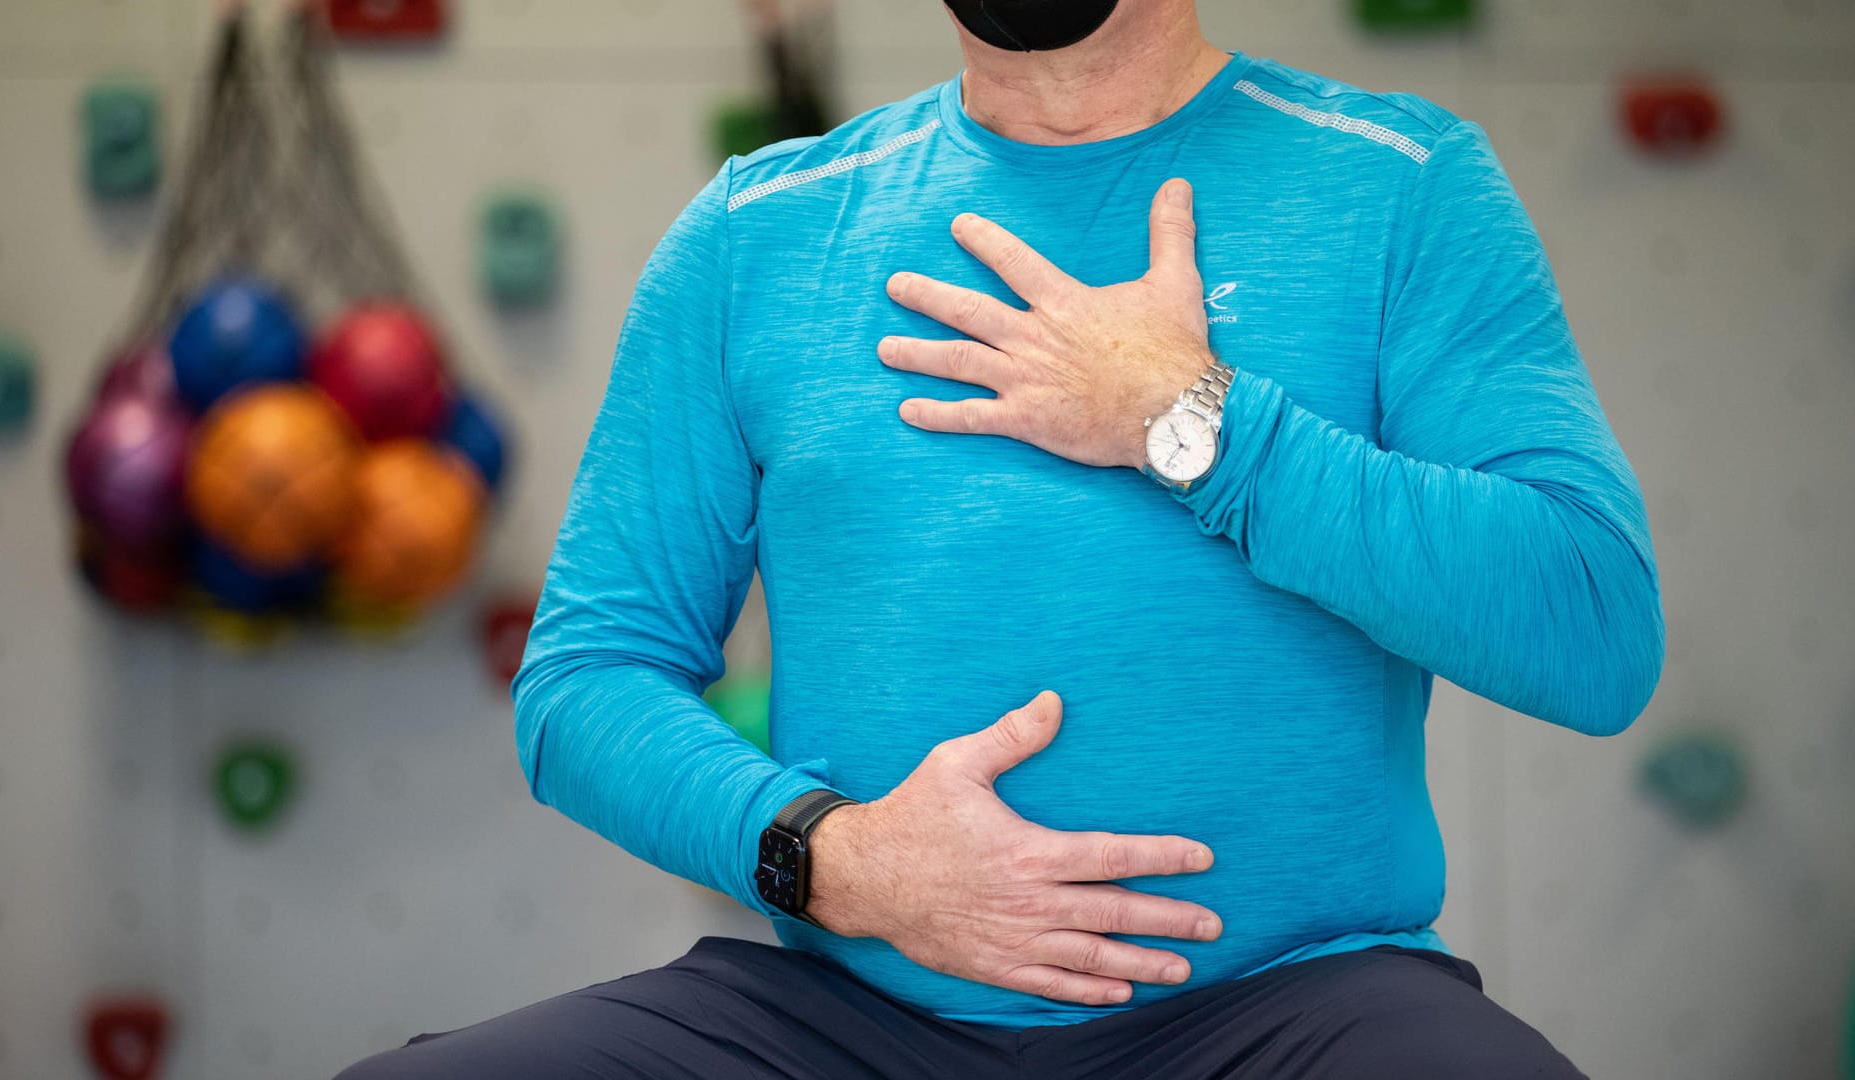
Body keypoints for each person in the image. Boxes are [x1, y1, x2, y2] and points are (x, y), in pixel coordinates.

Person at [338, 0, 1663, 1076]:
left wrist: (1188, 421)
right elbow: (585, 682)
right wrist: (832, 857)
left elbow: (1593, 627)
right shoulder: (755, 236)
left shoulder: (1403, 189)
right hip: (845, 1023)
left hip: (1296, 1013)